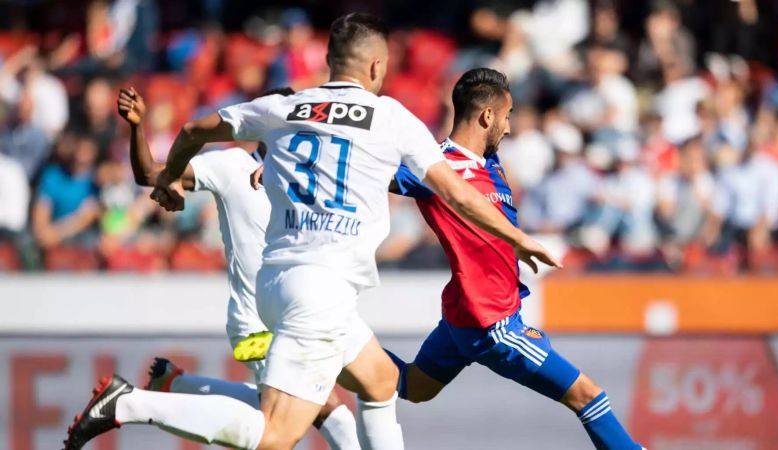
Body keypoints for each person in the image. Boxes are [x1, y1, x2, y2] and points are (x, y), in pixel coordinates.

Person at [65, 13, 558, 450]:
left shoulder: (285, 107)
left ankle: (166, 389)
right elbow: (458, 193)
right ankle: (128, 405)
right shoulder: (389, 116)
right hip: (320, 289)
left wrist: (172, 176)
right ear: (375, 68)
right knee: (277, 434)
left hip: (280, 283)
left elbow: (194, 130)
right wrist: (519, 238)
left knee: (381, 382)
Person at [384, 68, 644, 450]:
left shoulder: (490, 163)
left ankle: (336, 347)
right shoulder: (434, 168)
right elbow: (372, 174)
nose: (508, 128)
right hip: (491, 321)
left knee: (414, 386)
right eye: (506, 117)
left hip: (462, 314)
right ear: (487, 116)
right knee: (587, 395)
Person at [114, 86, 361, 449]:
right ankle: (137, 401)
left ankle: (174, 386)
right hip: (257, 323)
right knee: (326, 414)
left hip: (298, 317)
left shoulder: (310, 180)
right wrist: (137, 127)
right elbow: (151, 174)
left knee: (288, 416)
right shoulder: (231, 165)